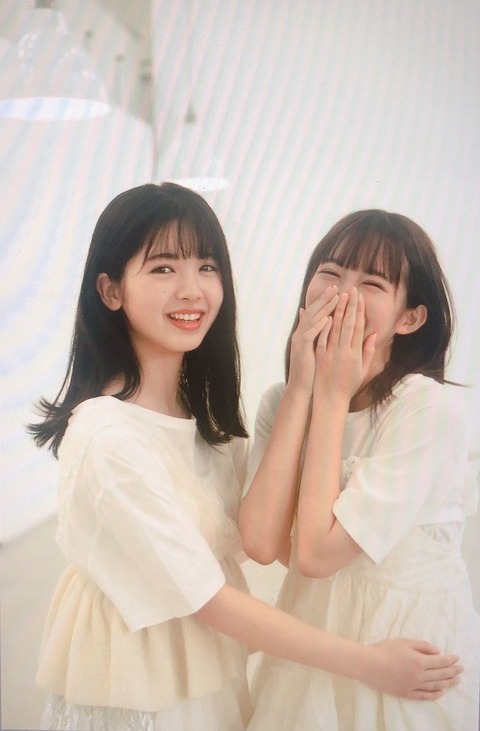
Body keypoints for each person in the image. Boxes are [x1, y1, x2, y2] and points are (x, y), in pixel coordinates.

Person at [29, 189, 463, 731]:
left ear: (412, 316)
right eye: (163, 268)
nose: (191, 289)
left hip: (273, 663)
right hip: (143, 684)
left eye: (207, 267)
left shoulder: (208, 423)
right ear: (111, 290)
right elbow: (247, 565)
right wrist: (313, 391)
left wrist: (314, 389)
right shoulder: (107, 437)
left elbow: (266, 544)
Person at [239, 209, 480, 730]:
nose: (343, 294)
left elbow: (318, 554)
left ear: (409, 318)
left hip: (405, 656)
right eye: (330, 272)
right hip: (317, 644)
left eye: (372, 283)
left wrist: (330, 395)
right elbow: (261, 543)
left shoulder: (426, 407)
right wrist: (302, 390)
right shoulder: (281, 400)